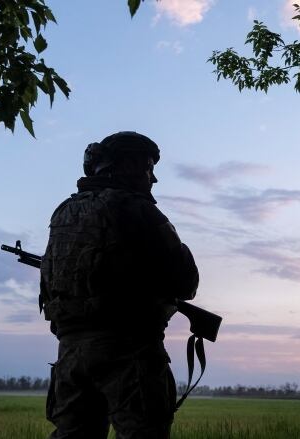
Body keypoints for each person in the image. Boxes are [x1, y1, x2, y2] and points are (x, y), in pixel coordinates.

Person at [39, 131, 199, 439]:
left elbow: (50, 284)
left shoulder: (64, 213)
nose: (153, 178)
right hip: (129, 354)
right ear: (127, 165)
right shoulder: (139, 210)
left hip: (70, 356)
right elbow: (186, 282)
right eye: (149, 167)